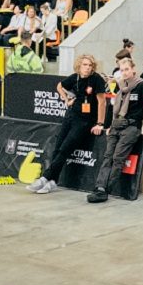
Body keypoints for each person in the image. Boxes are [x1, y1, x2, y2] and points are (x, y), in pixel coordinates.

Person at [31, 54, 110, 195]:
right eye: (84, 65)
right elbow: (59, 86)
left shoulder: (96, 79)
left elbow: (102, 102)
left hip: (85, 121)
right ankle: (53, 182)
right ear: (79, 66)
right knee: (58, 148)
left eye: (90, 65)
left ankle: (45, 178)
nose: (87, 68)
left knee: (66, 148)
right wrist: (66, 99)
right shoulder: (75, 77)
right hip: (71, 115)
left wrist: (99, 123)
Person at [89, 56, 143, 204]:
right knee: (107, 156)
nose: (124, 72)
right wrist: (109, 125)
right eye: (122, 70)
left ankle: (106, 189)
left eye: (127, 69)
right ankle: (99, 187)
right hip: (116, 125)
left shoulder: (141, 85)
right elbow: (114, 107)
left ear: (133, 70)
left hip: (131, 126)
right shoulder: (120, 85)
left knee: (118, 158)